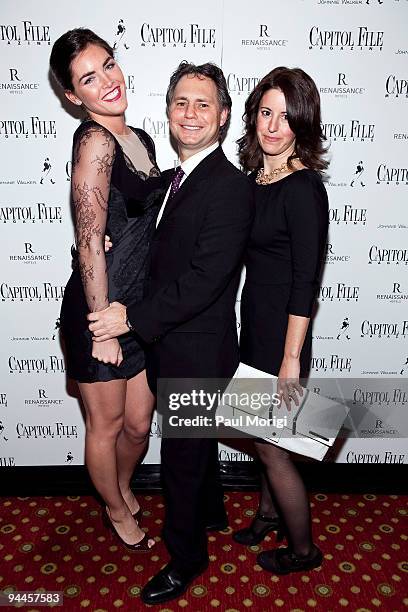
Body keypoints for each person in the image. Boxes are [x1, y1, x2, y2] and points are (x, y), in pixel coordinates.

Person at [88, 61, 254, 604]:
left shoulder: (228, 187)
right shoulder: (171, 180)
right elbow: (141, 233)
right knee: (192, 449)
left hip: (198, 350)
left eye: (203, 104)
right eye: (181, 102)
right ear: (167, 111)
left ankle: (185, 560)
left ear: (223, 117)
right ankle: (210, 513)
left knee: (180, 460)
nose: (190, 113)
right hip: (170, 344)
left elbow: (205, 279)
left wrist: (130, 318)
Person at [50, 28, 163, 551]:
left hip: (135, 306)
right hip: (100, 310)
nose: (108, 81)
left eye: (109, 64)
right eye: (89, 78)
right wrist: (100, 328)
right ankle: (115, 508)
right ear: (75, 97)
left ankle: (118, 485)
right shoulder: (95, 140)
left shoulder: (140, 137)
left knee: (138, 424)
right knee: (108, 422)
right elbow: (89, 239)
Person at [234, 67, 329, 574]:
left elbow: (305, 280)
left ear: (302, 124)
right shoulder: (254, 181)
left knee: (273, 449)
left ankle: (304, 551)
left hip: (283, 335)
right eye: (266, 112)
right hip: (254, 325)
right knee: (259, 437)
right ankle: (267, 513)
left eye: (285, 116)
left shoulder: (303, 188)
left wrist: (291, 358)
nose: (272, 126)